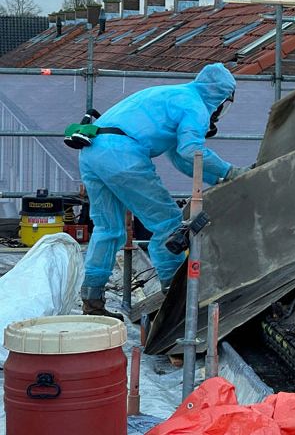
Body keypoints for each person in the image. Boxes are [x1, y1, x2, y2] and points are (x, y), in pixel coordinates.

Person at [77, 62, 249, 319]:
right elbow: (191, 150)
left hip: (92, 149)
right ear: (222, 96)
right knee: (168, 225)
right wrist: (232, 172)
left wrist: (219, 178)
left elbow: (182, 159)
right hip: (122, 155)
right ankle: (176, 303)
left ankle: (92, 305)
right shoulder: (196, 106)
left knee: (108, 229)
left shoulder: (172, 94)